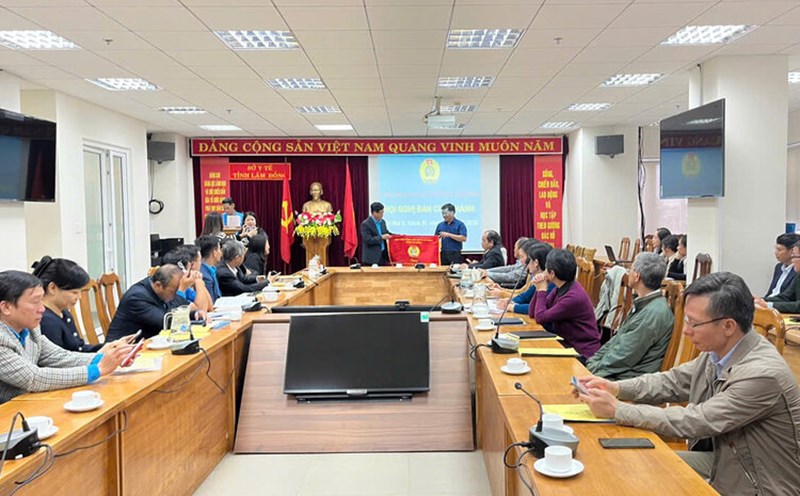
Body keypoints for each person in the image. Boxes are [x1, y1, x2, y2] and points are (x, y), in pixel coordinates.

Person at [576, 272, 800, 495]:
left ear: (729, 326)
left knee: (641, 470)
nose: (685, 330)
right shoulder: (719, 351)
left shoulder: (762, 374)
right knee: (634, 461)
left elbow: (697, 420)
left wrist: (618, 409)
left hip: (761, 485)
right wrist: (616, 388)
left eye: (694, 323)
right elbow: (672, 381)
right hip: (727, 463)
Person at [0, 270, 134, 403]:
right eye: (35, 302)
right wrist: (98, 369)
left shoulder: (31, 328)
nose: (42, 308)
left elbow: (59, 356)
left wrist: (109, 358)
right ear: (6, 307)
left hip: (28, 403)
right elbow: (34, 378)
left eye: (42, 300)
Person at [586, 253, 674, 380]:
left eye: (631, 270)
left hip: (629, 379)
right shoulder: (646, 304)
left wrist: (592, 369)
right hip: (620, 372)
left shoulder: (652, 314)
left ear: (637, 276)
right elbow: (616, 341)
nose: (628, 273)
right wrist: (593, 362)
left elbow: (622, 357)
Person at [528, 249, 601, 359]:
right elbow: (533, 313)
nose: (544, 272)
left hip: (582, 353)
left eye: (546, 269)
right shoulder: (562, 287)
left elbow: (540, 317)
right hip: (567, 345)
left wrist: (542, 290)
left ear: (552, 274)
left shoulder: (573, 297)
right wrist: (538, 287)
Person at [106, 265, 204, 341]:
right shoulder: (137, 297)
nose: (175, 296)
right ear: (158, 285)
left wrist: (195, 314)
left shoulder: (163, 290)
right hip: (122, 354)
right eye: (173, 292)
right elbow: (166, 322)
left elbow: (181, 307)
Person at [32, 256, 102, 353]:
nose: (79, 297)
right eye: (74, 292)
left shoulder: (63, 313)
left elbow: (79, 348)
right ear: (52, 288)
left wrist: (108, 348)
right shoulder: (46, 321)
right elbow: (59, 361)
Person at [495, 240, 553, 316]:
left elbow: (536, 308)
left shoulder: (551, 283)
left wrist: (512, 307)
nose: (526, 263)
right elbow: (525, 297)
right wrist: (510, 301)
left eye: (529, 260)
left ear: (536, 263)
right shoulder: (538, 278)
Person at [161, 245, 213, 312]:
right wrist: (198, 282)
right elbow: (201, 310)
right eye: (200, 261)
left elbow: (209, 307)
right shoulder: (171, 290)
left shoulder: (187, 287)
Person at [756, 240, 800, 313]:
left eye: (794, 257)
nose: (792, 261)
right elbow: (785, 297)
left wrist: (768, 305)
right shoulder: (798, 275)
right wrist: (761, 300)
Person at [765, 233, 800, 297]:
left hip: (780, 305)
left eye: (779, 250)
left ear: (792, 251)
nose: (776, 253)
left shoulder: (797, 270)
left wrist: (768, 304)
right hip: (769, 302)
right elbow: (771, 292)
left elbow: (788, 298)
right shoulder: (778, 267)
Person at [197, 235, 223, 303]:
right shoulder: (205, 276)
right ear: (214, 253)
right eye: (219, 249)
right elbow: (211, 302)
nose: (221, 253)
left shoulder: (212, 269)